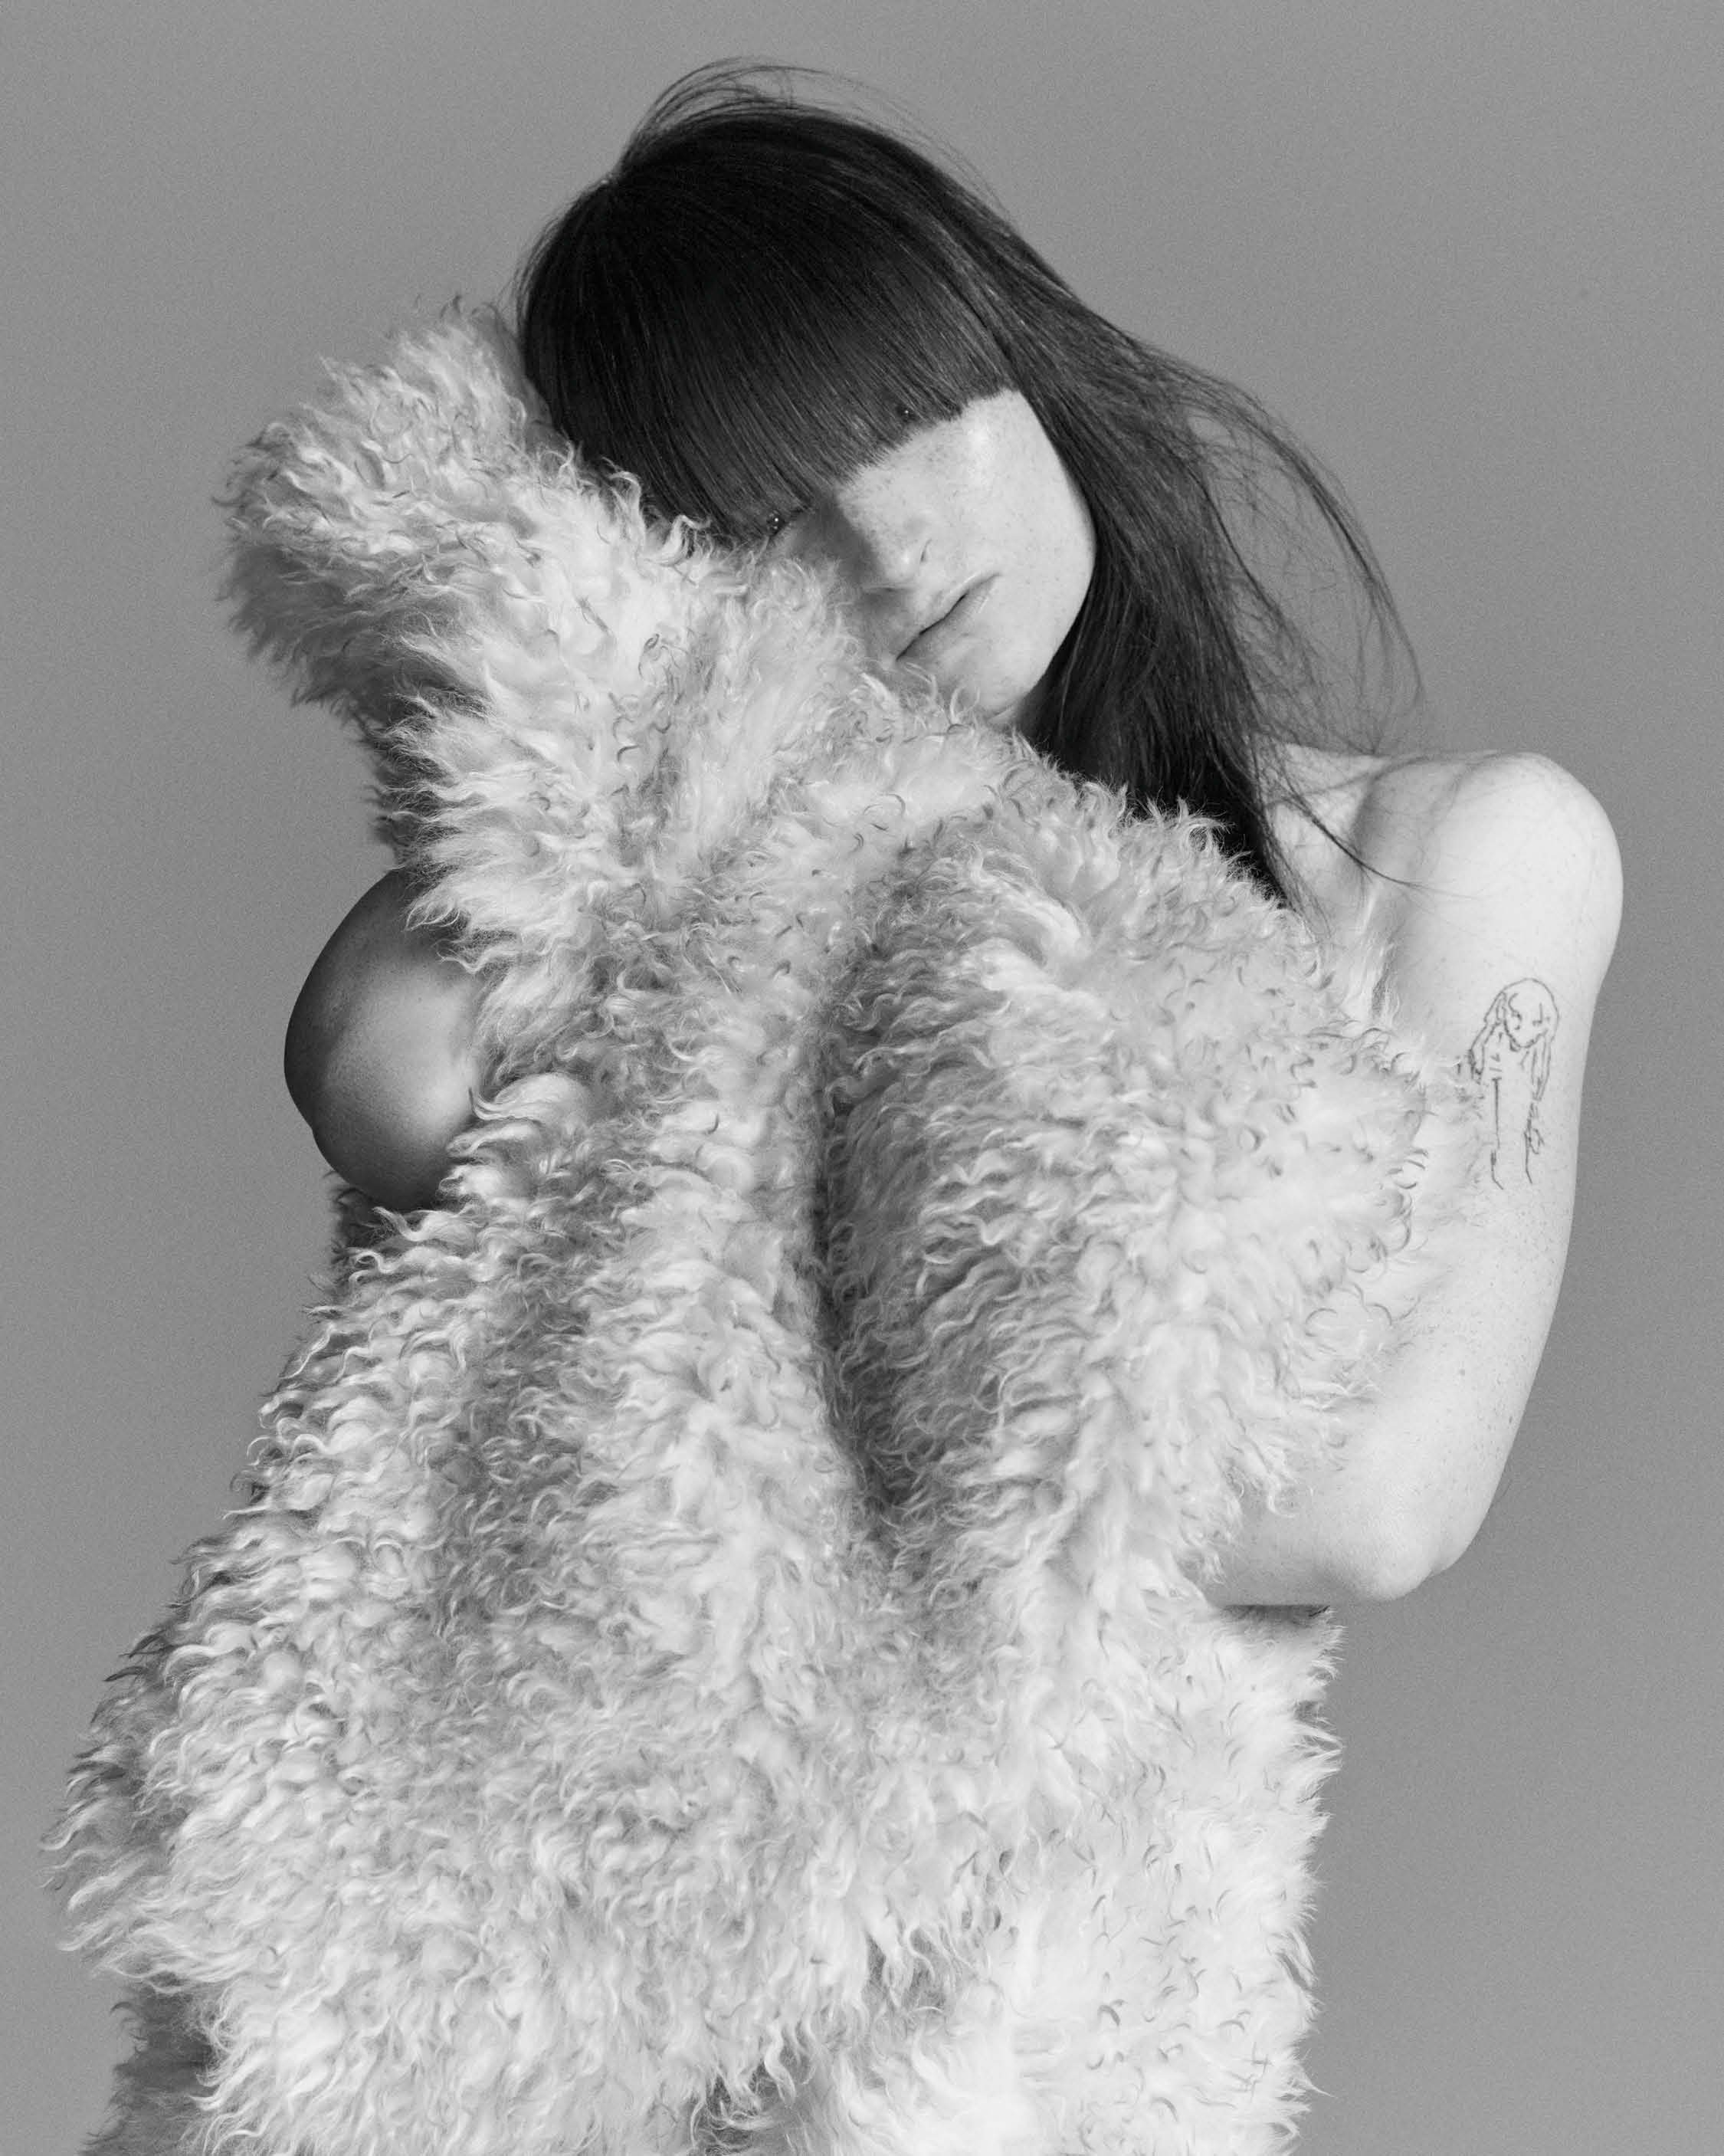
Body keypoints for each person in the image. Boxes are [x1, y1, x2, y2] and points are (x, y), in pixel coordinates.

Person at [283, 63, 1620, 1610]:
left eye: (912, 420)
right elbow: (389, 1075)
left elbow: (1372, 1503)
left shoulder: (1456, 854)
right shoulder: (737, 925)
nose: (889, 543)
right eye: (768, 513)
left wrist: (716, 1435)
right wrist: (573, 635)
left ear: (1027, 372)